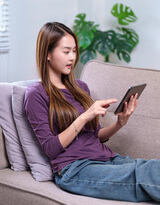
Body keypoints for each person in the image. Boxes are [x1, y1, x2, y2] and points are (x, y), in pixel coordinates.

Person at [24, 22, 160, 203]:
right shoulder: (36, 94)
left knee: (154, 167)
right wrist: (84, 116)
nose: (72, 57)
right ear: (48, 54)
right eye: (66, 52)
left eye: (74, 51)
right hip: (75, 169)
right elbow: (50, 148)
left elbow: (95, 135)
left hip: (107, 158)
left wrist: (119, 124)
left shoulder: (80, 87)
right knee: (146, 174)